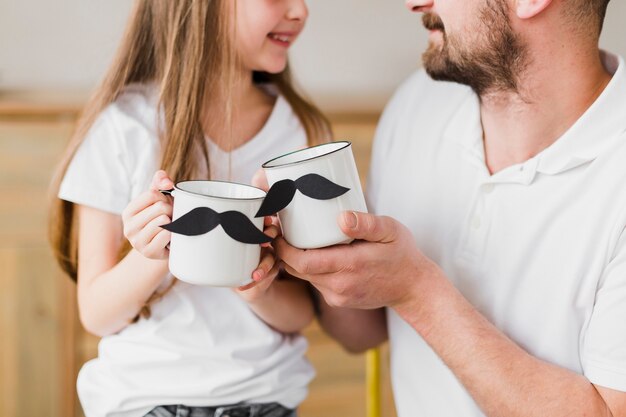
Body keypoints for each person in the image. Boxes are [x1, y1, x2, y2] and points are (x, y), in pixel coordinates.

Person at [274, 0, 626, 415]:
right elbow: (362, 334)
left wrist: (418, 292)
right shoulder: (417, 105)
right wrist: (299, 259)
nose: (414, 3)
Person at [49, 1, 331, 416]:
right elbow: (97, 312)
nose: (301, 10)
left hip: (267, 403)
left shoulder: (299, 132)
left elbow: (299, 315)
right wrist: (156, 254)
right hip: (146, 403)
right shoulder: (124, 126)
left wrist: (258, 291)